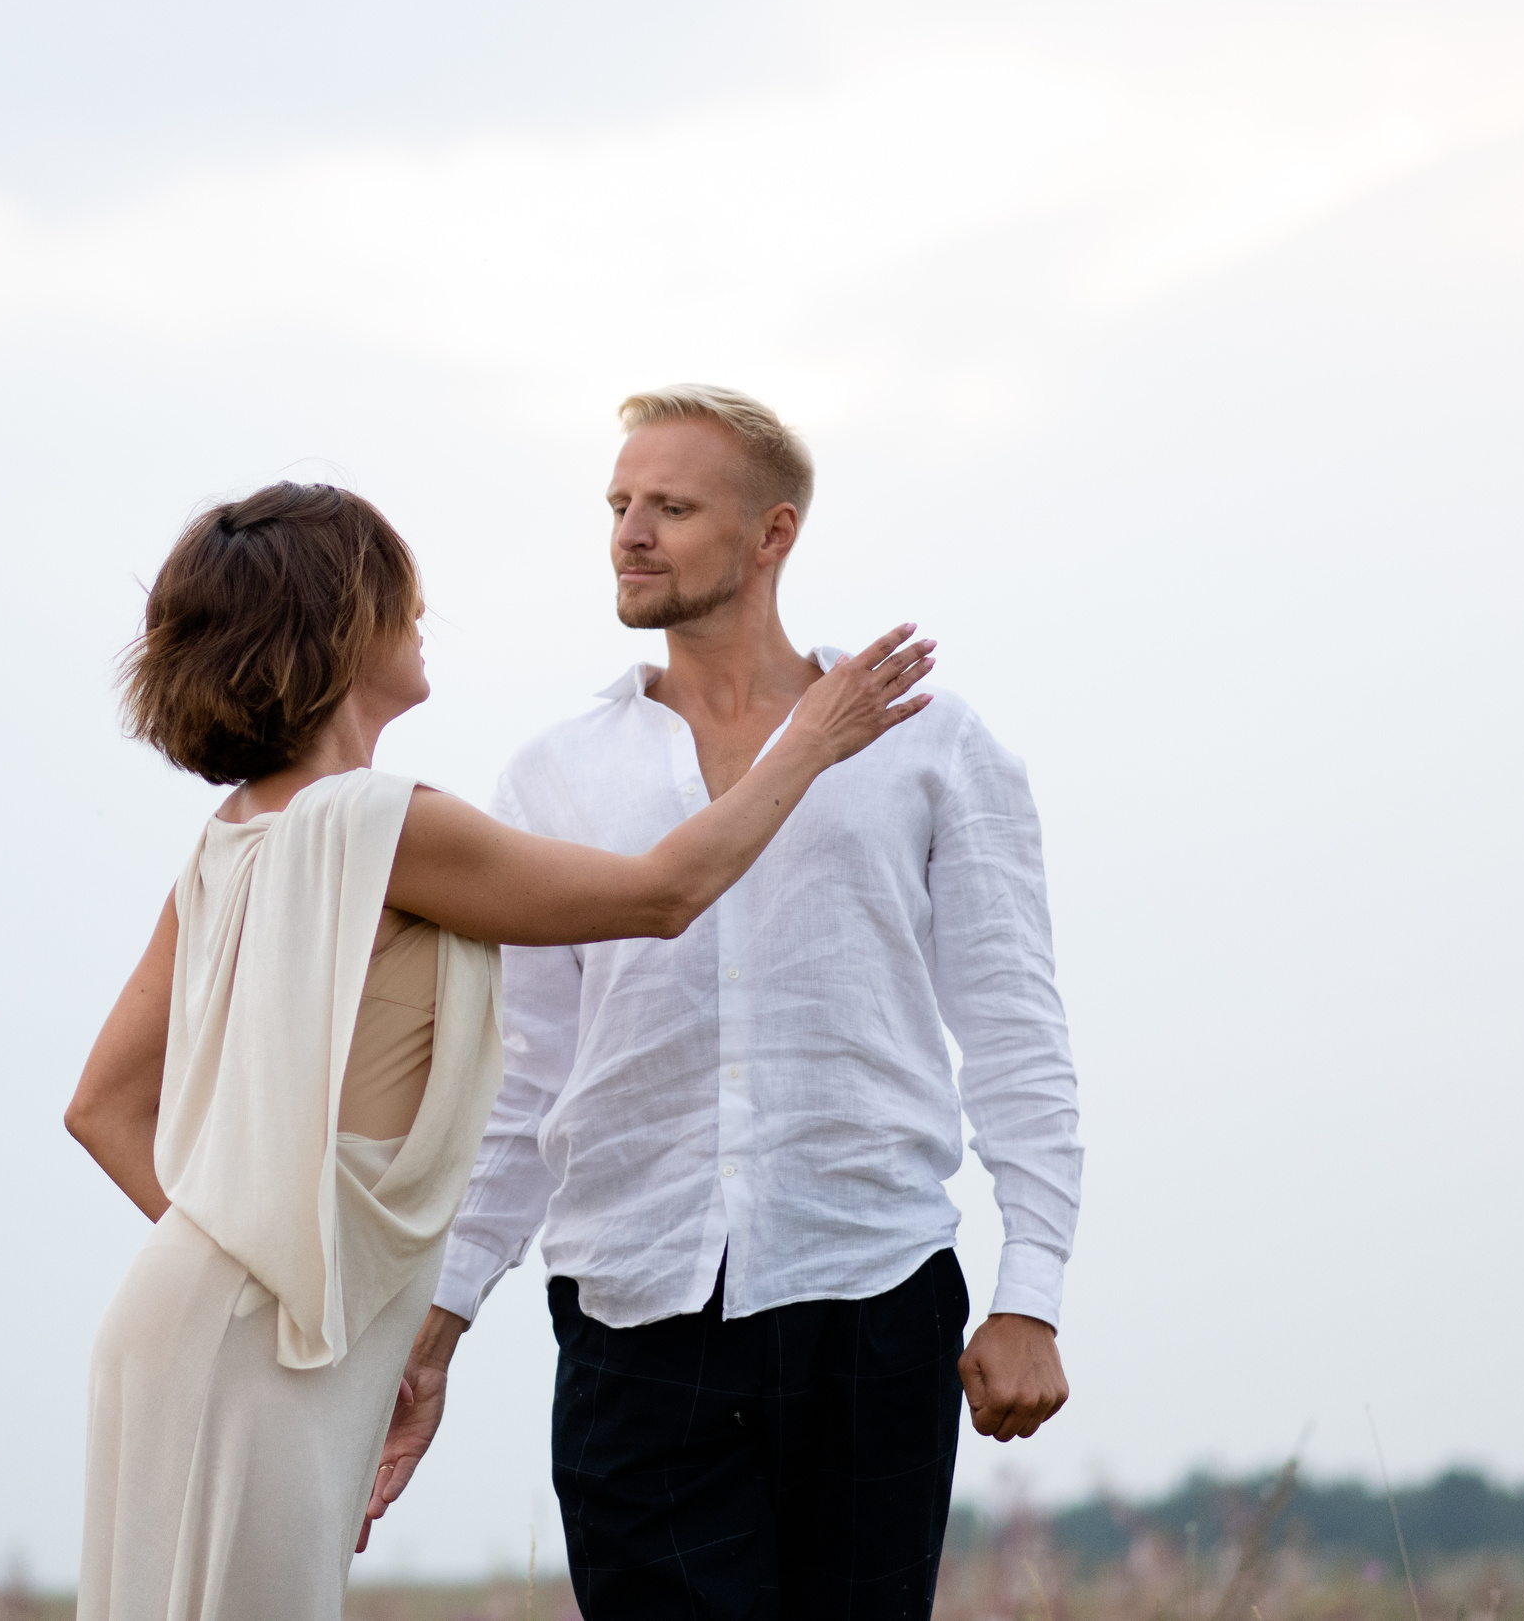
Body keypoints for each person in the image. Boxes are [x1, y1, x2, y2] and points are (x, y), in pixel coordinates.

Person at [64, 480, 934, 1621]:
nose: (420, 614)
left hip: (185, 1314)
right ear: (339, 624)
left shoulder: (230, 840)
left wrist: (261, 1253)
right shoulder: (372, 821)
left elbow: (102, 1109)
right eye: (398, 593)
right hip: (260, 1338)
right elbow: (661, 894)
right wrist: (808, 740)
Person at [367, 385, 1086, 1619]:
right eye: (618, 505)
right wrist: (436, 1326)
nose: (629, 532)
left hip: (872, 1297)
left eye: (671, 506)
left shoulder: (928, 742)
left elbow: (1016, 1030)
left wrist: (1032, 1291)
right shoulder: (552, 774)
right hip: (632, 1315)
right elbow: (528, 1074)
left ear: (772, 536)